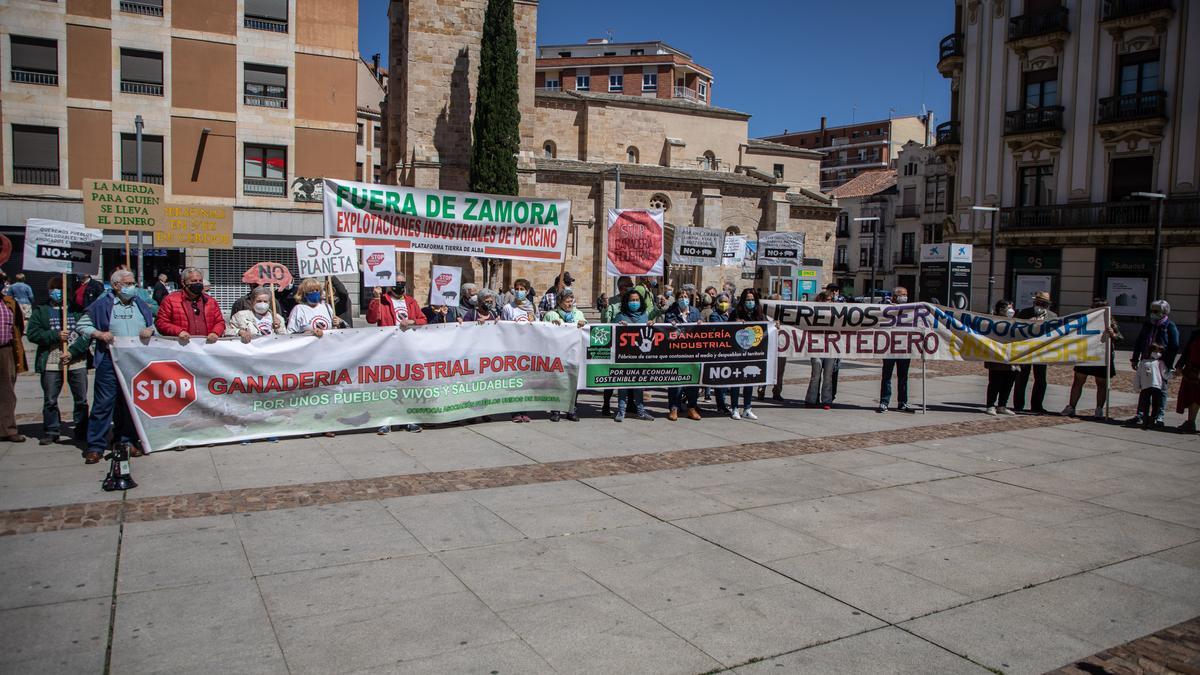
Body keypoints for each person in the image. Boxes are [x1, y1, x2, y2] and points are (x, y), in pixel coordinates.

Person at [78, 269, 155, 463]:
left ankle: (126, 440)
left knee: (130, 403)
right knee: (104, 403)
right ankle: (95, 445)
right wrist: (99, 334)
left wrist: (149, 330)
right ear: (115, 286)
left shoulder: (140, 304)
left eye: (132, 283)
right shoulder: (103, 305)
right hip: (109, 359)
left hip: (135, 361)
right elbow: (82, 325)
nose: (132, 287)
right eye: (127, 283)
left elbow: (154, 324)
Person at [27, 277, 92, 445]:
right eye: (53, 289)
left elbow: (86, 335)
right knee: (50, 399)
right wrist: (54, 335)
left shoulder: (77, 310)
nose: (56, 292)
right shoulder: (41, 311)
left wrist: (72, 351)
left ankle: (82, 429)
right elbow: (33, 333)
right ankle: (51, 429)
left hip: (76, 361)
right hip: (51, 361)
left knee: (81, 399)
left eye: (60, 289)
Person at [1062, 298, 1122, 419]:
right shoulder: (1086, 320)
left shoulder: (1110, 322)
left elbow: (1119, 337)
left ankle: (1099, 409)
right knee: (1078, 381)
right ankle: (1071, 407)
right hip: (1087, 354)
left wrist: (1112, 334)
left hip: (1101, 355)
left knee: (1101, 383)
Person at [1129, 299, 1180, 427]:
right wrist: (1135, 358)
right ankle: (1140, 414)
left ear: (1163, 312)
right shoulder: (1148, 324)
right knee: (1145, 389)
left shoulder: (1169, 326)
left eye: (1156, 311)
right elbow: (1139, 341)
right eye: (1151, 310)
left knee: (1161, 390)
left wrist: (1168, 363)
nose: (1153, 313)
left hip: (1160, 363)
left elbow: (1174, 345)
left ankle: (1158, 416)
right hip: (1146, 360)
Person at [541, 288, 586, 422]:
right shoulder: (551, 315)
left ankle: (571, 410)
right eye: (567, 301)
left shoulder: (579, 314)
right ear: (560, 302)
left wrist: (583, 324)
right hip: (557, 354)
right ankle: (556, 410)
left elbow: (586, 330)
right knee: (558, 382)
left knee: (573, 384)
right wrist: (551, 326)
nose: (569, 304)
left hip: (574, 353)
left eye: (571, 301)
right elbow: (543, 330)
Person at [612, 287, 654, 422]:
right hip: (624, 357)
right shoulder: (620, 316)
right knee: (623, 387)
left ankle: (641, 412)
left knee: (639, 386)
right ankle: (621, 411)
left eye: (636, 300)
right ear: (626, 302)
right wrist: (618, 326)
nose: (634, 302)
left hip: (640, 357)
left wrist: (651, 324)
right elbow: (611, 331)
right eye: (632, 300)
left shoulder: (644, 316)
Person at [155, 267, 226, 344]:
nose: (198, 283)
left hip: (206, 348)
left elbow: (220, 322)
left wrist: (215, 332)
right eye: (194, 281)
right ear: (183, 282)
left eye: (200, 281)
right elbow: (161, 323)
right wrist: (178, 332)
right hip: (181, 347)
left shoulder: (211, 301)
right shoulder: (170, 300)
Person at [1013, 290, 1057, 414]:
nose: (1040, 306)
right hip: (1026, 350)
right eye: (1038, 303)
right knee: (1021, 378)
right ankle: (1018, 405)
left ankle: (1037, 405)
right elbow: (1015, 330)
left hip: (1042, 351)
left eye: (1044, 304)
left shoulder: (1053, 316)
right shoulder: (1023, 313)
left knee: (1041, 379)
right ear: (1034, 302)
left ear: (1048, 305)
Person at [664, 288, 702, 421]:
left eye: (686, 296)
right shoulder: (671, 312)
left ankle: (692, 408)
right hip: (676, 352)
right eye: (681, 296)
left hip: (692, 352)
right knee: (676, 381)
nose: (683, 298)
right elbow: (667, 329)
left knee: (692, 381)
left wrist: (700, 324)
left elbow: (701, 328)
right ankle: (674, 408)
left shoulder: (695, 312)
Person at [0, 270, 28, 443]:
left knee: (7, 391)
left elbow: (19, 326)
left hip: (6, 349)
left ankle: (7, 428)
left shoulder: (9, 302)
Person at [728, 289, 763, 420]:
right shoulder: (736, 312)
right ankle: (735, 408)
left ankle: (747, 408)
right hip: (738, 352)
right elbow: (727, 329)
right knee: (736, 380)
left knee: (749, 380)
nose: (750, 302)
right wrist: (735, 323)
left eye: (752, 299)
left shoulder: (759, 313)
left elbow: (765, 327)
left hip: (752, 352)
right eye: (748, 299)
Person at [878, 286, 913, 413]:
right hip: (889, 347)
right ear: (895, 296)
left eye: (906, 294)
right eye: (903, 294)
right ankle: (884, 402)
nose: (905, 297)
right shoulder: (886, 308)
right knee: (886, 376)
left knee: (903, 377)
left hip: (904, 348)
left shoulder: (910, 309)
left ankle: (902, 402)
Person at [984, 299, 1019, 416]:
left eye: (1012, 307)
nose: (1011, 310)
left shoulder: (1015, 321)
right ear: (1000, 309)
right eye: (1008, 307)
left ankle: (1002, 405)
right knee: (995, 383)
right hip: (996, 358)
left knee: (1008, 383)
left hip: (1011, 358)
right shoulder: (992, 321)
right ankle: (990, 405)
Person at [805, 291, 836, 410]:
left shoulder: (835, 311)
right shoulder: (814, 311)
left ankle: (826, 400)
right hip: (816, 345)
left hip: (831, 346)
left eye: (830, 300)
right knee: (816, 373)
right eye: (826, 299)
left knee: (828, 375)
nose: (828, 302)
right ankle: (811, 399)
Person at [1129, 342, 1170, 430]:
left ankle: (1152, 420)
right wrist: (1136, 386)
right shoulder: (1143, 362)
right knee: (1145, 404)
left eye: (1159, 352)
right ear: (1151, 351)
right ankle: (1145, 420)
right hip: (1145, 387)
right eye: (1156, 351)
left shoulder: (1160, 363)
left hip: (1157, 387)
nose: (1157, 353)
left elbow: (1165, 375)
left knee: (1156, 404)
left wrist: (1172, 374)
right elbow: (1138, 375)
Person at [704, 292, 734, 413]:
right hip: (719, 352)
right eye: (721, 301)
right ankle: (720, 405)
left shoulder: (731, 314)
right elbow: (721, 328)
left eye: (726, 301)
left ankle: (725, 403)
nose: (723, 304)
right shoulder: (714, 315)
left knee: (727, 380)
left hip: (731, 351)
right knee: (720, 380)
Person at [1175, 330, 1200, 434]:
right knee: (1193, 396)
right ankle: (1191, 422)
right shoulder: (1196, 333)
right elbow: (1186, 351)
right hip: (1194, 369)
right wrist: (1179, 365)